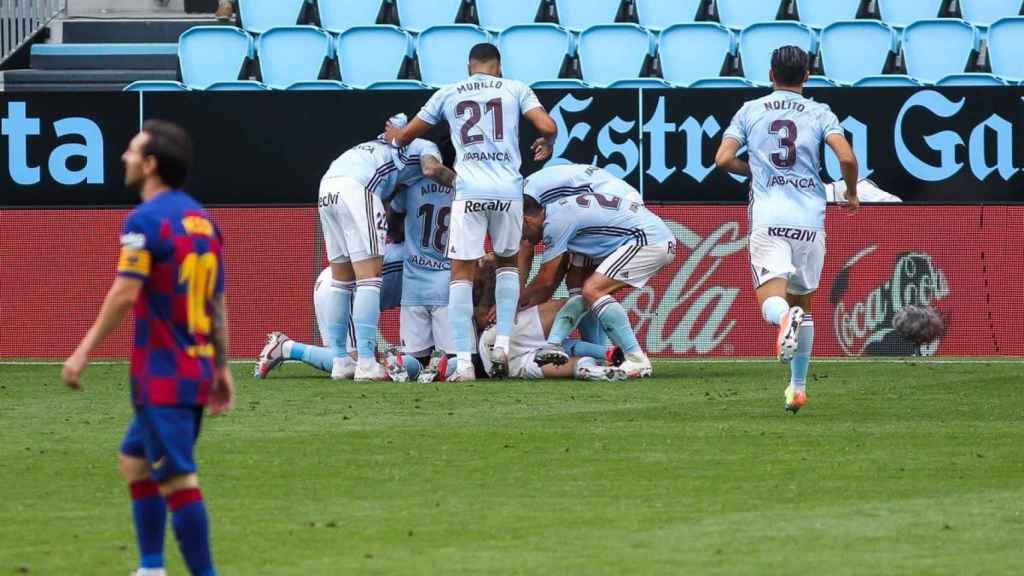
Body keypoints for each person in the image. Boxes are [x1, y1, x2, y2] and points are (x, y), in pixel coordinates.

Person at [62, 120, 233, 576]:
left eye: (132, 151)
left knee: (178, 479)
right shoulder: (204, 221)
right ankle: (151, 568)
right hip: (191, 368)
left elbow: (124, 292)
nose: (124, 157)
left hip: (165, 374)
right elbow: (214, 302)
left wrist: (82, 352)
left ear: (151, 164)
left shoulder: (144, 220)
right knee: (134, 462)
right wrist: (221, 366)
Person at [384, 42, 558, 381]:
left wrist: (395, 136)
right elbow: (547, 125)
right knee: (508, 263)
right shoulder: (515, 88)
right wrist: (547, 142)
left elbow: (407, 137)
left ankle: (463, 361)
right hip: (508, 189)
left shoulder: (449, 92)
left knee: (461, 272)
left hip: (469, 190)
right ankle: (504, 342)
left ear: (469, 67)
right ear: (499, 66)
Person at [714, 45, 860, 414]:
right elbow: (846, 157)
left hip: (769, 218)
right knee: (804, 302)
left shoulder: (750, 110)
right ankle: (797, 388)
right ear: (807, 76)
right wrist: (853, 194)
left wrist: (754, 170)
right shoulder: (820, 112)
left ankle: (783, 319)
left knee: (772, 302)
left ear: (770, 74)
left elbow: (722, 159)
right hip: (810, 220)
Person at [317, 115, 444, 380]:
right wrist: (461, 184)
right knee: (370, 279)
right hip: (357, 189)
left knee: (341, 281)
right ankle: (365, 362)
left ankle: (341, 360)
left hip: (327, 186)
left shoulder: (375, 147)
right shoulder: (424, 145)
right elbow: (432, 169)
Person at [521, 193, 676, 379]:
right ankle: (593, 354)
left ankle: (636, 358)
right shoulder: (562, 214)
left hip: (649, 240)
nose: (524, 240)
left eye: (519, 232)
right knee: (581, 291)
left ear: (526, 220)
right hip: (649, 235)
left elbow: (546, 279)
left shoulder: (555, 223)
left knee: (593, 290)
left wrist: (512, 306)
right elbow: (575, 290)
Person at [517, 163, 646, 341]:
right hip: (619, 199)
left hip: (614, 203)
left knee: (580, 282)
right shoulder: (525, 198)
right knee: (579, 280)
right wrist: (521, 297)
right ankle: (597, 349)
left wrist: (513, 303)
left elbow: (529, 251)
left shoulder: (524, 203)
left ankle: (597, 350)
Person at [254, 242, 405, 379]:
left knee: (349, 363)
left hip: (335, 284)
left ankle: (287, 347)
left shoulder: (408, 253)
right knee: (356, 364)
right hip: (345, 288)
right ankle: (288, 348)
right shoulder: (415, 261)